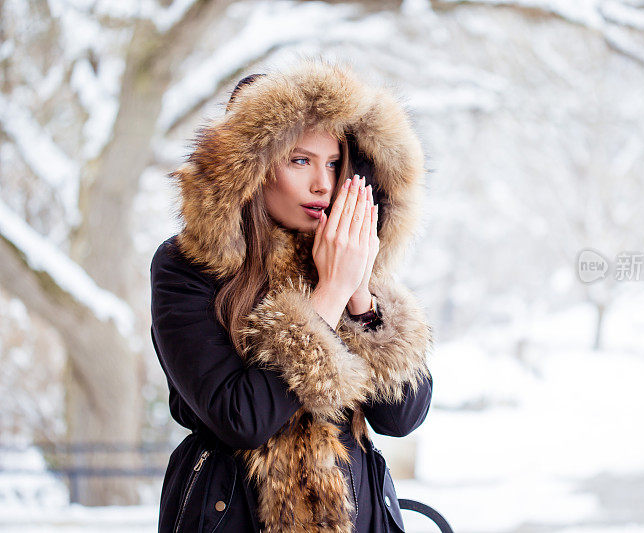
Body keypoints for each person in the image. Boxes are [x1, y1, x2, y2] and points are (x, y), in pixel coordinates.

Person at [149, 57, 434, 533]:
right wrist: (329, 294)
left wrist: (361, 297)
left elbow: (401, 417)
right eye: (300, 160)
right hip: (233, 514)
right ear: (253, 169)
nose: (323, 183)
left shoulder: (348, 252)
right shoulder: (188, 266)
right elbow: (242, 417)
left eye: (334, 163)